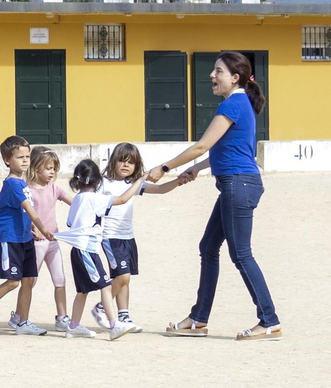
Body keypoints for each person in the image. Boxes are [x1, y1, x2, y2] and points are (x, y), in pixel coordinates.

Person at [147, 52, 281, 340]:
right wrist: (196, 169)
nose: (212, 75)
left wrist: (165, 167)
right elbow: (222, 148)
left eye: (218, 71)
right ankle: (198, 319)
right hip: (236, 184)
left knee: (241, 254)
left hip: (239, 184)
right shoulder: (238, 103)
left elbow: (202, 145)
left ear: (235, 77)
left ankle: (269, 320)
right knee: (208, 247)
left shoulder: (234, 103)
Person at [94, 142, 183, 333]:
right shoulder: (103, 183)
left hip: (128, 237)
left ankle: (124, 315)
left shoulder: (132, 184)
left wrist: (179, 180)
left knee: (125, 278)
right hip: (110, 237)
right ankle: (102, 306)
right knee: (122, 275)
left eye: (131, 162)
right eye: (121, 160)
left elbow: (160, 189)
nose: (126, 165)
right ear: (113, 161)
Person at [0, 137, 51, 336]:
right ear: (7, 160)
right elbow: (30, 210)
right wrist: (43, 228)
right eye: (19, 157)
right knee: (13, 282)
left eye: (27, 156)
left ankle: (22, 321)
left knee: (29, 280)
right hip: (11, 238)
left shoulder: (22, 183)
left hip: (24, 237)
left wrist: (32, 229)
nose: (25, 160)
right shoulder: (12, 185)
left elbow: (24, 213)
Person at [54, 159, 139, 341]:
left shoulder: (77, 199)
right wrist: (139, 180)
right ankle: (114, 324)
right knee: (106, 286)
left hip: (78, 250)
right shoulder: (96, 199)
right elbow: (123, 199)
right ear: (98, 181)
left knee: (83, 291)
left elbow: (71, 223)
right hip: (87, 250)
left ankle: (74, 326)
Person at [26, 147, 74, 332]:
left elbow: (75, 202)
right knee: (30, 281)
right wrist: (32, 228)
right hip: (37, 242)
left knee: (60, 279)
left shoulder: (54, 188)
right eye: (48, 168)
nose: (52, 172)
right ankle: (21, 317)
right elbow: (24, 213)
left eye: (54, 168)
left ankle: (62, 317)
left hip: (53, 240)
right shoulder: (27, 190)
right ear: (36, 168)